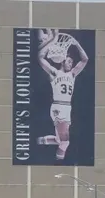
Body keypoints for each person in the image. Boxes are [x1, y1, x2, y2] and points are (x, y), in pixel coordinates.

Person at [37, 30, 88, 161]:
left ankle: (40, 140)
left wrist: (77, 44)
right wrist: (51, 42)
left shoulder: (72, 74)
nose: (71, 64)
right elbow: (41, 58)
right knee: (65, 143)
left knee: (59, 140)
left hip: (66, 108)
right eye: (69, 62)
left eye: (72, 63)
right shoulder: (54, 73)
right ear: (62, 61)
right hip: (59, 107)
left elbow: (85, 59)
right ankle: (58, 164)